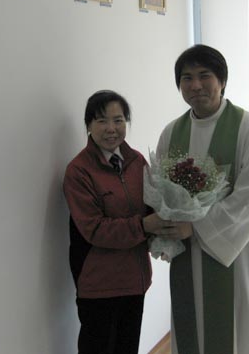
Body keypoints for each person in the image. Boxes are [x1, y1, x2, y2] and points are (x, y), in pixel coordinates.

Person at [156, 45, 249, 354]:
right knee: (192, 324)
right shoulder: (171, 133)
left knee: (238, 330)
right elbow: (160, 189)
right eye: (186, 78)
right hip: (187, 251)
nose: (195, 85)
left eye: (204, 75)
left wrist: (196, 227)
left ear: (222, 81)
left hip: (238, 249)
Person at [63, 90, 171, 354]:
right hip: (99, 285)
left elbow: (152, 206)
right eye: (101, 121)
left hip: (135, 281)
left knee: (127, 348)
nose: (111, 128)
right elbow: (95, 229)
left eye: (118, 120)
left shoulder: (137, 161)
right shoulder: (79, 171)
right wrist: (144, 226)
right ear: (88, 126)